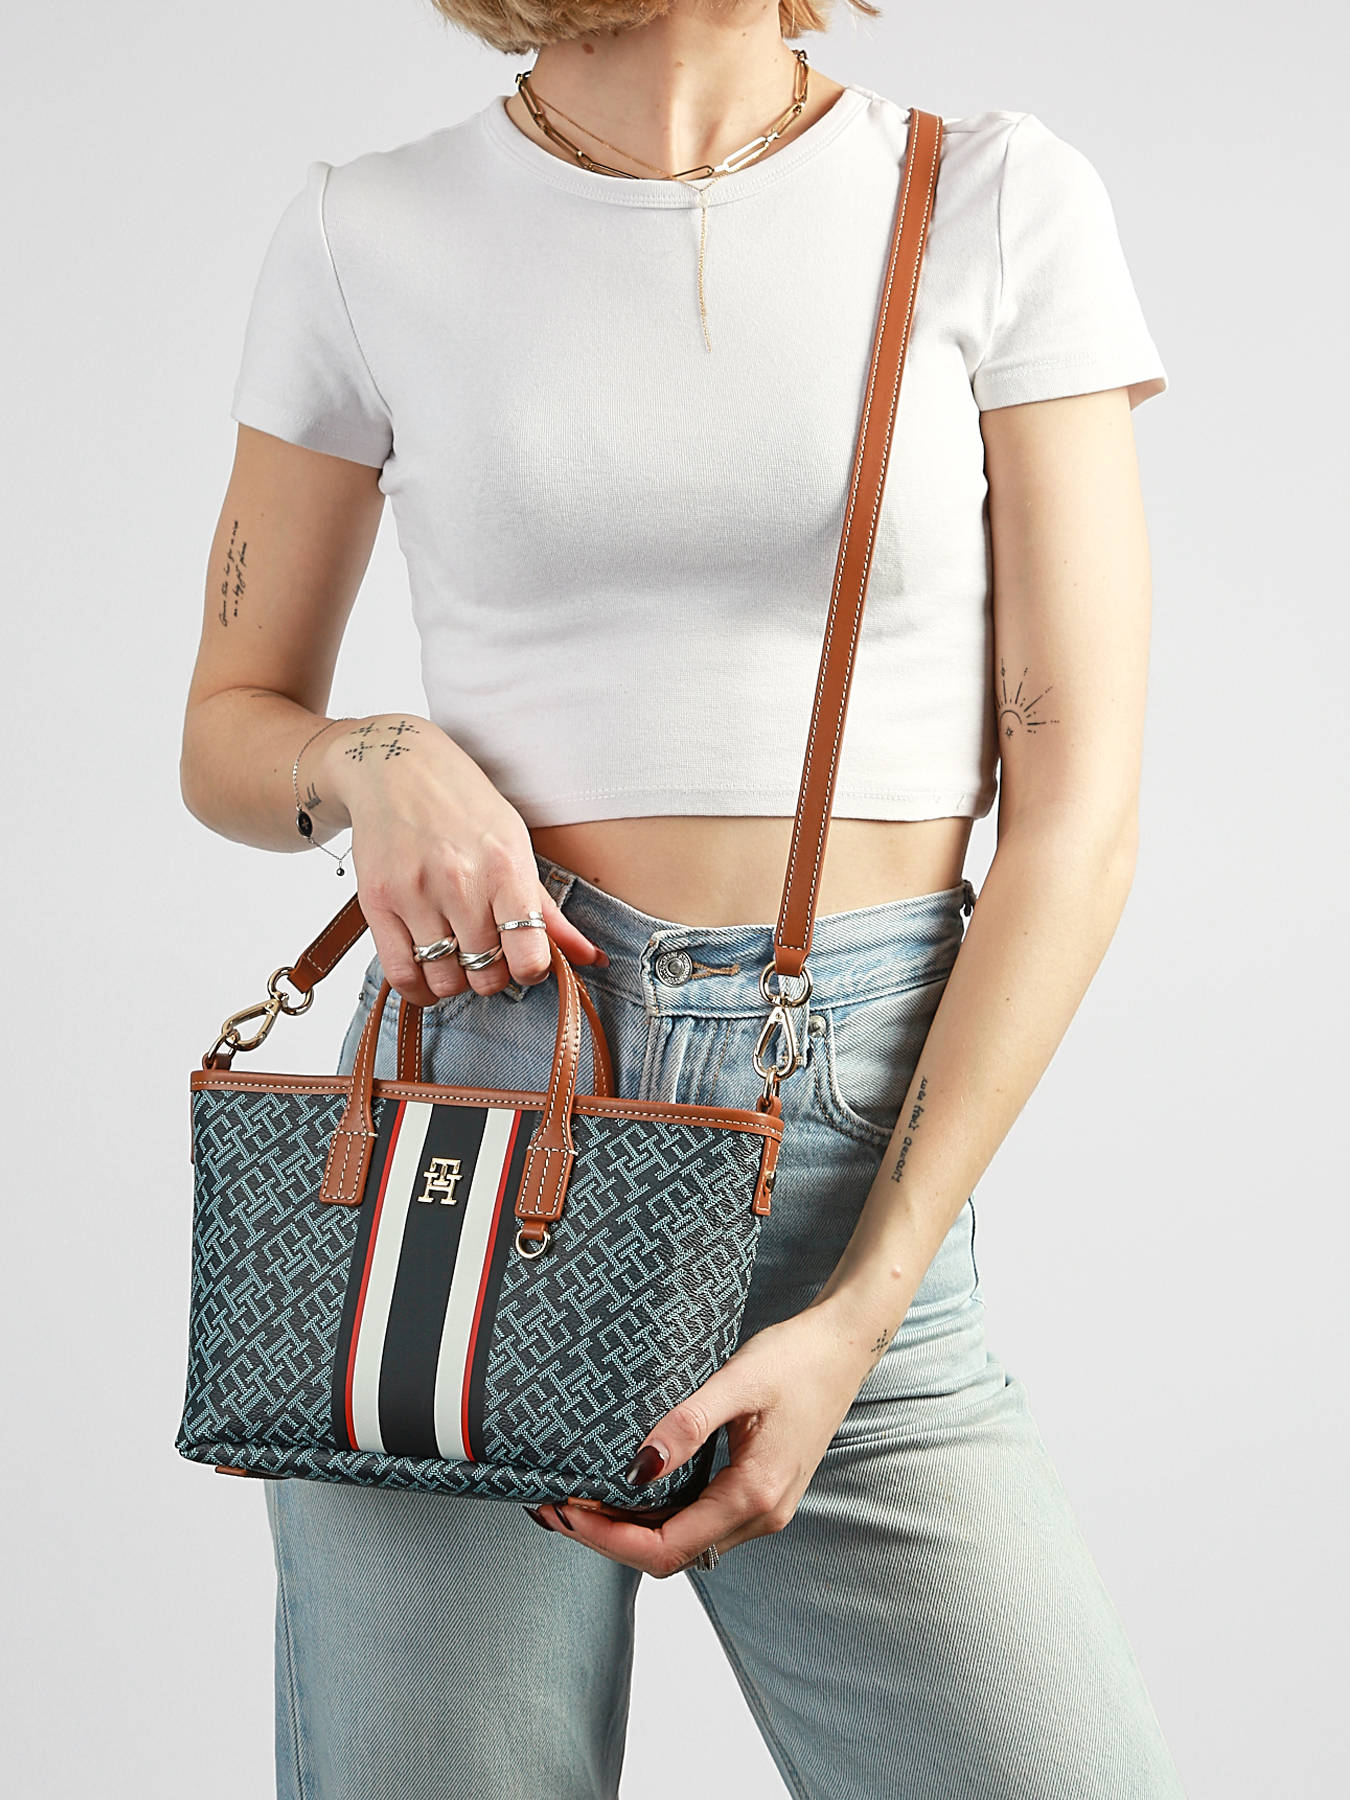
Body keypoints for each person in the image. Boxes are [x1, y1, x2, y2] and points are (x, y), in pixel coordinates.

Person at [179, 1, 1189, 1794]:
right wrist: (373, 756)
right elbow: (229, 732)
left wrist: (860, 1314)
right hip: (474, 1135)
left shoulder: (984, 200)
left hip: (849, 1171)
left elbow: (1074, 818)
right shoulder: (365, 230)